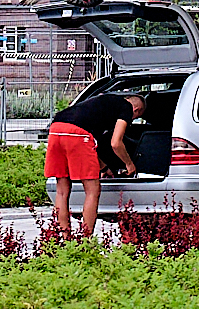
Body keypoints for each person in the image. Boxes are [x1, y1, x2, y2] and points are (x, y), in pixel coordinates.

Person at [43, 81, 137, 242]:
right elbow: (116, 142)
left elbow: (92, 146)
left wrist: (104, 167)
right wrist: (129, 164)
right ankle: (85, 241)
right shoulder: (127, 107)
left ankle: (66, 239)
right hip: (78, 134)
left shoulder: (101, 102)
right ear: (137, 110)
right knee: (93, 190)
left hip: (56, 129)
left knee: (62, 190)